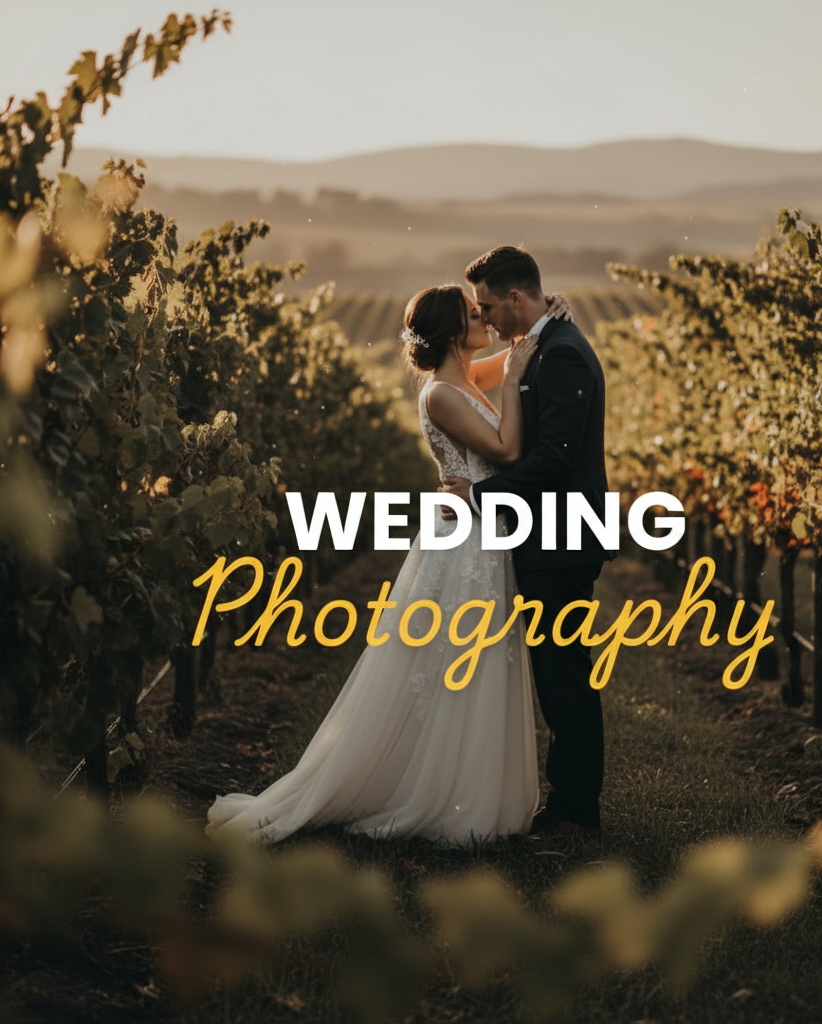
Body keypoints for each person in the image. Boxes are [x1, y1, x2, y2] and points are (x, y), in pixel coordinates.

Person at [205, 284, 567, 846]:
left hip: (477, 533)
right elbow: (507, 448)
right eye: (476, 315)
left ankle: (461, 783)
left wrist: (540, 325)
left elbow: (512, 356)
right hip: (463, 540)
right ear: (452, 331)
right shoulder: (442, 394)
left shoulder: (463, 380)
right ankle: (435, 793)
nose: (486, 321)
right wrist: (519, 371)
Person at [443, 246, 614, 838]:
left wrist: (480, 498)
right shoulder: (540, 344)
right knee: (557, 670)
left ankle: (574, 808)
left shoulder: (562, 354)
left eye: (488, 306)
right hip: (546, 534)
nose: (483, 319)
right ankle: (568, 800)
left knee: (564, 674)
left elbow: (554, 459)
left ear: (517, 298)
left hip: (562, 538)